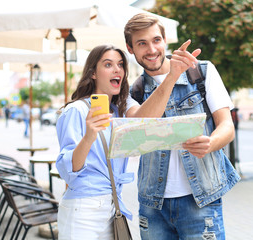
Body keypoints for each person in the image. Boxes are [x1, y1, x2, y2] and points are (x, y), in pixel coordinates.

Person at [56, 43, 197, 239]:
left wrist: (172, 75)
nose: (117, 70)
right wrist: (89, 135)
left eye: (121, 64)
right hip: (83, 209)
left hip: (112, 207)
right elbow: (67, 170)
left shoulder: (119, 110)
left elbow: (145, 122)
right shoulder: (76, 111)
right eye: (108, 64)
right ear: (93, 73)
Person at [124, 13, 241, 239]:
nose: (151, 49)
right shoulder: (134, 92)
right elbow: (138, 130)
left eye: (156, 40)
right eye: (141, 43)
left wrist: (210, 143)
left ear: (165, 40)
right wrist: (171, 76)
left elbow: (227, 126)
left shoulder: (202, 71)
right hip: (153, 205)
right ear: (131, 49)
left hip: (201, 200)